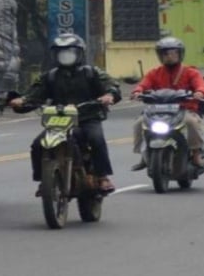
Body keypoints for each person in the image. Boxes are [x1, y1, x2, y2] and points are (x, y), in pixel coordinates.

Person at [9, 33, 121, 193]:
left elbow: (112, 86)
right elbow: (34, 95)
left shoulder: (92, 72)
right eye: (62, 53)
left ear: (79, 53)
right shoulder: (50, 76)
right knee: (37, 144)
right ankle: (43, 181)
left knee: (96, 139)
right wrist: (21, 101)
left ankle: (102, 177)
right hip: (59, 121)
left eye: (69, 52)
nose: (66, 56)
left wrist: (109, 95)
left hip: (88, 118)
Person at [130, 36, 204, 171]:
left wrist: (200, 92)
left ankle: (196, 154)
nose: (169, 57)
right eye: (165, 53)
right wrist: (137, 92)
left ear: (180, 54)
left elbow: (202, 86)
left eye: (173, 53)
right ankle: (143, 155)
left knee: (192, 123)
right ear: (160, 56)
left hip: (184, 110)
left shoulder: (191, 72)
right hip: (156, 111)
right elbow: (142, 85)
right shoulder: (154, 73)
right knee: (139, 123)